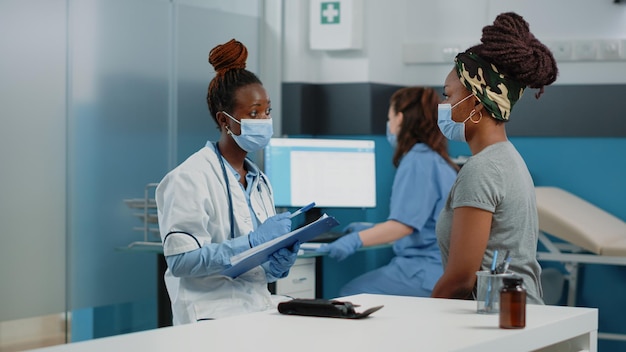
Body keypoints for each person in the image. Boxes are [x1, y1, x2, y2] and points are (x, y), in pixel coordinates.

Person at [155, 39, 300, 324]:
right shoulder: (189, 178)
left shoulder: (260, 182)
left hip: (256, 311)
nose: (264, 120)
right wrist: (253, 242)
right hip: (210, 318)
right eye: (254, 113)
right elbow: (181, 261)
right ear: (225, 120)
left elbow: (255, 270)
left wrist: (277, 264)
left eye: (267, 111)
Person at [431, 12, 558, 305]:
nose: (443, 105)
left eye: (448, 95)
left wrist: (425, 318)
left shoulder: (482, 169)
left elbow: (460, 280)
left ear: (476, 101)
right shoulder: (507, 158)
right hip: (516, 317)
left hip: (502, 323)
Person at [316, 87, 458, 297]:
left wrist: (356, 239)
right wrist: (370, 228)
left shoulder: (417, 160)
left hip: (423, 271)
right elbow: (422, 224)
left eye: (389, 117)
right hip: (440, 268)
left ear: (400, 119)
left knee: (351, 294)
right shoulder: (437, 161)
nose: (389, 125)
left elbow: (403, 227)